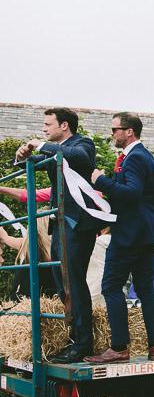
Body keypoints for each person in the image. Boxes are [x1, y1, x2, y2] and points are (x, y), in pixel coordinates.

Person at [15, 107, 102, 364]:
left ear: (64, 125)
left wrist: (41, 144)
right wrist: (23, 157)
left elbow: (80, 157)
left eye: (47, 124)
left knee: (74, 283)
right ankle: (75, 338)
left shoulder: (81, 144)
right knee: (63, 285)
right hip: (59, 225)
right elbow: (36, 165)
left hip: (76, 224)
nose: (43, 129)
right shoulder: (54, 150)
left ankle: (84, 344)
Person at [85, 113, 154, 364]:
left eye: (115, 129)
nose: (112, 134)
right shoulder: (142, 156)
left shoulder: (135, 157)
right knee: (146, 290)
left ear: (129, 131)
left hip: (130, 234)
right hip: (144, 233)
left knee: (110, 286)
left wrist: (102, 181)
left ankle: (119, 347)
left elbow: (131, 193)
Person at [0, 213, 54, 300]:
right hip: (48, 303)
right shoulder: (58, 250)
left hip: (23, 303)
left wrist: (5, 237)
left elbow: (11, 240)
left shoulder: (27, 247)